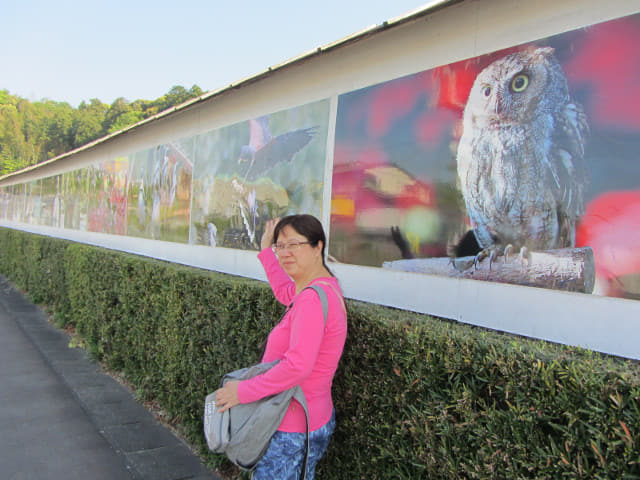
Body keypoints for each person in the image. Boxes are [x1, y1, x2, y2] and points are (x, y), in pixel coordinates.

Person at [215, 214, 348, 479]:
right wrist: (267, 251)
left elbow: (297, 367)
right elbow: (285, 292)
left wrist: (242, 392)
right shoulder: (322, 288)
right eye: (281, 245)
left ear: (318, 246)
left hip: (292, 425)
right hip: (311, 416)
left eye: (294, 245)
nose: (285, 252)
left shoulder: (311, 299)